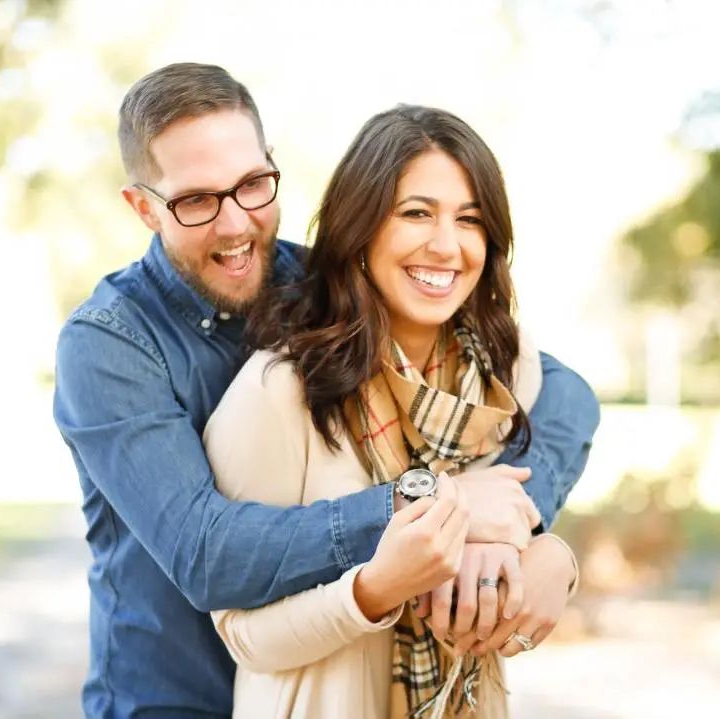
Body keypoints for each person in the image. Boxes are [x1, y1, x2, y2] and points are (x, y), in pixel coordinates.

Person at [53, 62, 600, 719]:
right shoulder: (110, 343)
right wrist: (431, 505)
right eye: (196, 200)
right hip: (172, 699)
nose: (235, 225)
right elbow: (206, 552)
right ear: (143, 207)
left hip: (332, 682)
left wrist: (517, 525)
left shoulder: (327, 286)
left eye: (252, 185)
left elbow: (564, 393)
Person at [203, 104, 579, 719]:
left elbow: (514, 518)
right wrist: (377, 588)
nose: (446, 245)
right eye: (416, 214)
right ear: (361, 227)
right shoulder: (281, 391)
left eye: (469, 219)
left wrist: (552, 558)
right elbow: (243, 634)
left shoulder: (503, 372)